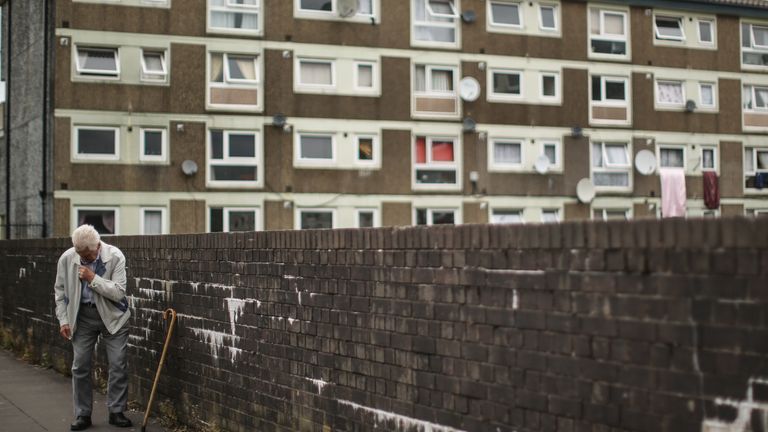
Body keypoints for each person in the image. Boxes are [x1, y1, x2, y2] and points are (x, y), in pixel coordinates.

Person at [54, 224, 132, 430]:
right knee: (80, 366)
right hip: (82, 317)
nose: (83, 259)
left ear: (97, 246)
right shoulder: (67, 258)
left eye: (87, 255)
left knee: (118, 363)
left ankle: (117, 411)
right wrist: (63, 320)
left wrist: (92, 278)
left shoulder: (115, 256)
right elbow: (60, 292)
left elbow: (118, 292)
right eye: (80, 254)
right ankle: (82, 415)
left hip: (114, 317)